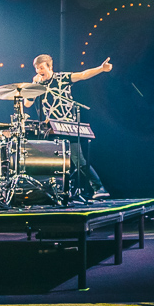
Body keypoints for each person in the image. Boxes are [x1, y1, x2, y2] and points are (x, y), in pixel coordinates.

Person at [24, 53, 112, 199]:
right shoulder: (37, 85)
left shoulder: (61, 78)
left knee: (79, 160)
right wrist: (33, 85)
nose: (39, 71)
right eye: (37, 69)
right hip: (50, 128)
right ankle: (54, 192)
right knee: (51, 161)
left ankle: (99, 188)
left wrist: (101, 69)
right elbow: (27, 103)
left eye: (41, 68)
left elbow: (83, 75)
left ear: (50, 67)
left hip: (67, 125)